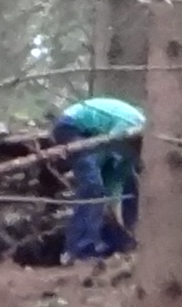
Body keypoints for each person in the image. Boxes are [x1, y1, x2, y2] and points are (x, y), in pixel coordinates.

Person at [49, 95, 145, 263]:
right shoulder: (131, 125)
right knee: (92, 187)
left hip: (95, 134)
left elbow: (115, 185)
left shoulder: (130, 153)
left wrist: (118, 219)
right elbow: (103, 146)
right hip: (72, 125)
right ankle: (79, 249)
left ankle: (126, 238)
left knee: (128, 188)